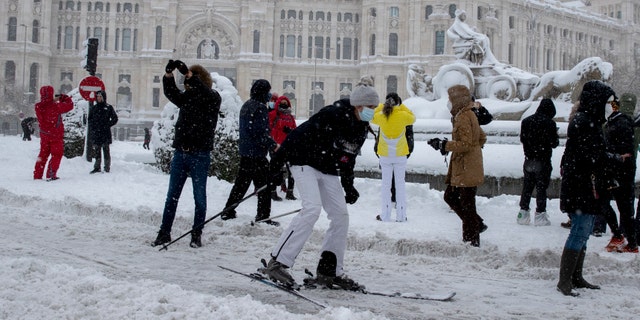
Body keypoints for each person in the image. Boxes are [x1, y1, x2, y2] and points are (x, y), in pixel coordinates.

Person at [263, 77, 379, 289]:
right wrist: (277, 166)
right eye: (370, 107)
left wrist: (349, 186)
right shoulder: (332, 115)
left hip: (327, 168)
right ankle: (278, 262)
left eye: (375, 107)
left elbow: (348, 158)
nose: (373, 111)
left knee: (340, 215)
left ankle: (329, 271)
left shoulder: (361, 128)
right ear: (358, 104)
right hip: (303, 160)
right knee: (312, 209)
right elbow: (298, 134)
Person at [557, 80, 619, 296]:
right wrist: (612, 158)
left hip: (585, 186)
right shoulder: (585, 122)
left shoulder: (588, 120)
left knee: (583, 232)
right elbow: (590, 156)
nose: (609, 106)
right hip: (581, 187)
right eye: (606, 101)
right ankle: (565, 281)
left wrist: (607, 158)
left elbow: (591, 154)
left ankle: (575, 276)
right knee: (579, 231)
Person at [152, 60, 221, 248]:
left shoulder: (212, 98)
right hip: (181, 153)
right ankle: (164, 232)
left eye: (190, 82)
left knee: (199, 198)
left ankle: (196, 234)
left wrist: (192, 76)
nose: (188, 87)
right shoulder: (188, 98)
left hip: (200, 154)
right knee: (171, 197)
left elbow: (205, 93)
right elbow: (172, 93)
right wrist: (169, 75)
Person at [428, 85, 487, 247]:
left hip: (466, 167)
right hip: (468, 164)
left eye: (450, 99)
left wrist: (445, 145)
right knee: (455, 198)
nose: (448, 102)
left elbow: (466, 144)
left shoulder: (463, 117)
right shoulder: (469, 114)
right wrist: (472, 152)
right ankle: (476, 226)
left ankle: (472, 239)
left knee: (465, 202)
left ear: (457, 100)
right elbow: (481, 137)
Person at [220, 79, 279, 226]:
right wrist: (273, 145)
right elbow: (260, 133)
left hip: (246, 152)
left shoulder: (247, 105)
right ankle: (263, 216)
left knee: (241, 184)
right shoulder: (260, 108)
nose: (269, 95)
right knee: (265, 186)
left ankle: (228, 210)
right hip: (257, 153)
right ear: (263, 92)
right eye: (268, 91)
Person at [594, 95, 637, 253]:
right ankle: (621, 236)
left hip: (619, 173)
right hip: (613, 171)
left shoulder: (621, 123)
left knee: (622, 207)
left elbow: (624, 152)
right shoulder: (613, 122)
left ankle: (629, 241)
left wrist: (611, 158)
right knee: (609, 204)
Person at [371, 93, 415, 222]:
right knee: (400, 185)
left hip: (385, 154)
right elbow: (413, 117)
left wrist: (381, 106)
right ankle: (401, 216)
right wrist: (401, 107)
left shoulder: (380, 116)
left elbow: (370, 115)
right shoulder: (403, 115)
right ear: (398, 102)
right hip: (400, 154)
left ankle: (385, 215)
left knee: (386, 185)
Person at [517, 98, 559, 226]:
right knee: (541, 189)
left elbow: (523, 139)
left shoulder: (526, 121)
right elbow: (554, 143)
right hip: (543, 160)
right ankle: (540, 215)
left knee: (527, 187)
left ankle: (523, 214)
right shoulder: (550, 123)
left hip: (529, 159)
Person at [33, 86, 74, 181]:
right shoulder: (55, 106)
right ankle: (51, 173)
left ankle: (37, 175)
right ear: (51, 94)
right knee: (56, 154)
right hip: (55, 135)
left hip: (44, 135)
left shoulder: (38, 106)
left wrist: (51, 101)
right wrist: (63, 97)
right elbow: (70, 105)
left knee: (42, 155)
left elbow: (45, 106)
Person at [268, 95, 298, 201]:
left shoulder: (290, 117)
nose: (284, 104)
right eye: (282, 102)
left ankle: (290, 192)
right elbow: (269, 128)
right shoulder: (273, 114)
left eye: (286, 103)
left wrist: (290, 131)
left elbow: (295, 130)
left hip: (289, 147)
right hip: (276, 146)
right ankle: (273, 192)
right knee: (276, 170)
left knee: (292, 170)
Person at [87, 91, 118, 174]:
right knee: (97, 151)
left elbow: (115, 118)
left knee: (106, 151)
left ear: (104, 97)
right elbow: (89, 120)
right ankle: (97, 167)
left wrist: (108, 125)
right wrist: (93, 127)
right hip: (96, 133)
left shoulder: (108, 108)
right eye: (97, 97)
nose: (99, 98)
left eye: (100, 97)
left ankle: (107, 167)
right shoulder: (94, 108)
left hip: (105, 133)